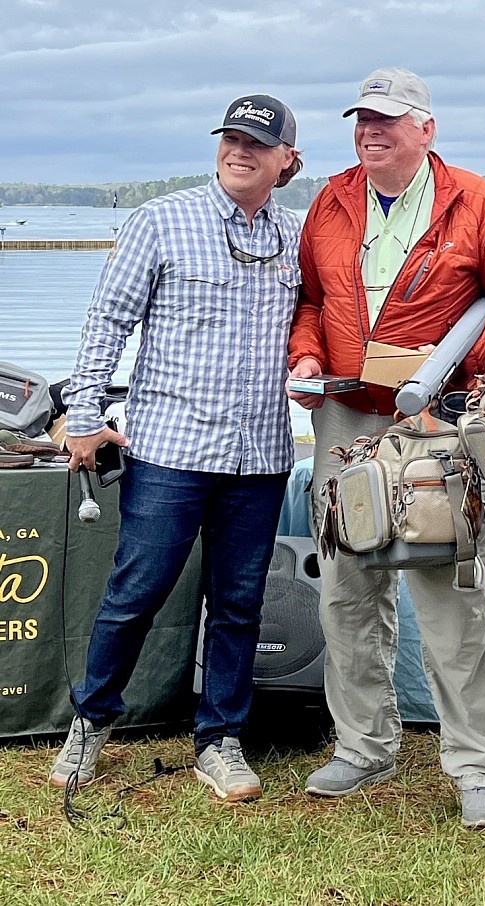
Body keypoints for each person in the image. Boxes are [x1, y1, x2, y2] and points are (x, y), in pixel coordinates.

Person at [287, 68, 485, 827]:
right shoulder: (328, 201)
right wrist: (303, 357)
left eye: (389, 120)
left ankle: (480, 765)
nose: (372, 132)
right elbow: (312, 301)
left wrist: (445, 365)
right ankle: (364, 745)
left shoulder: (479, 202)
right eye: (363, 119)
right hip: (344, 421)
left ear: (427, 129)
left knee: (451, 590)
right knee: (346, 587)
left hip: (439, 424)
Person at [49, 94, 304, 802]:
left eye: (258, 141)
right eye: (230, 137)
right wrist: (82, 416)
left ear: (287, 160)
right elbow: (107, 321)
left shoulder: (297, 236)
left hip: (261, 456)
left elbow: (311, 328)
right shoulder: (161, 219)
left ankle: (220, 741)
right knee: (136, 593)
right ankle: (91, 722)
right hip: (169, 450)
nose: (239, 150)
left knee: (240, 604)